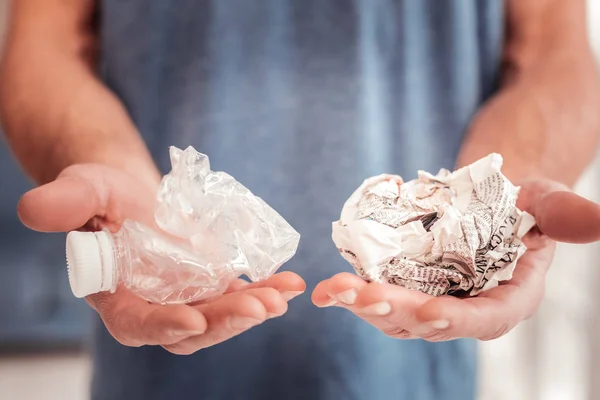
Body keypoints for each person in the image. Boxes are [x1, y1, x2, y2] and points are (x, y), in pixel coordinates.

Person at [1, 0, 600, 399]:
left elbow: (553, 52)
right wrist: (98, 159)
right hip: (161, 372)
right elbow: (45, 44)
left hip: (411, 370)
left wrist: (505, 196)